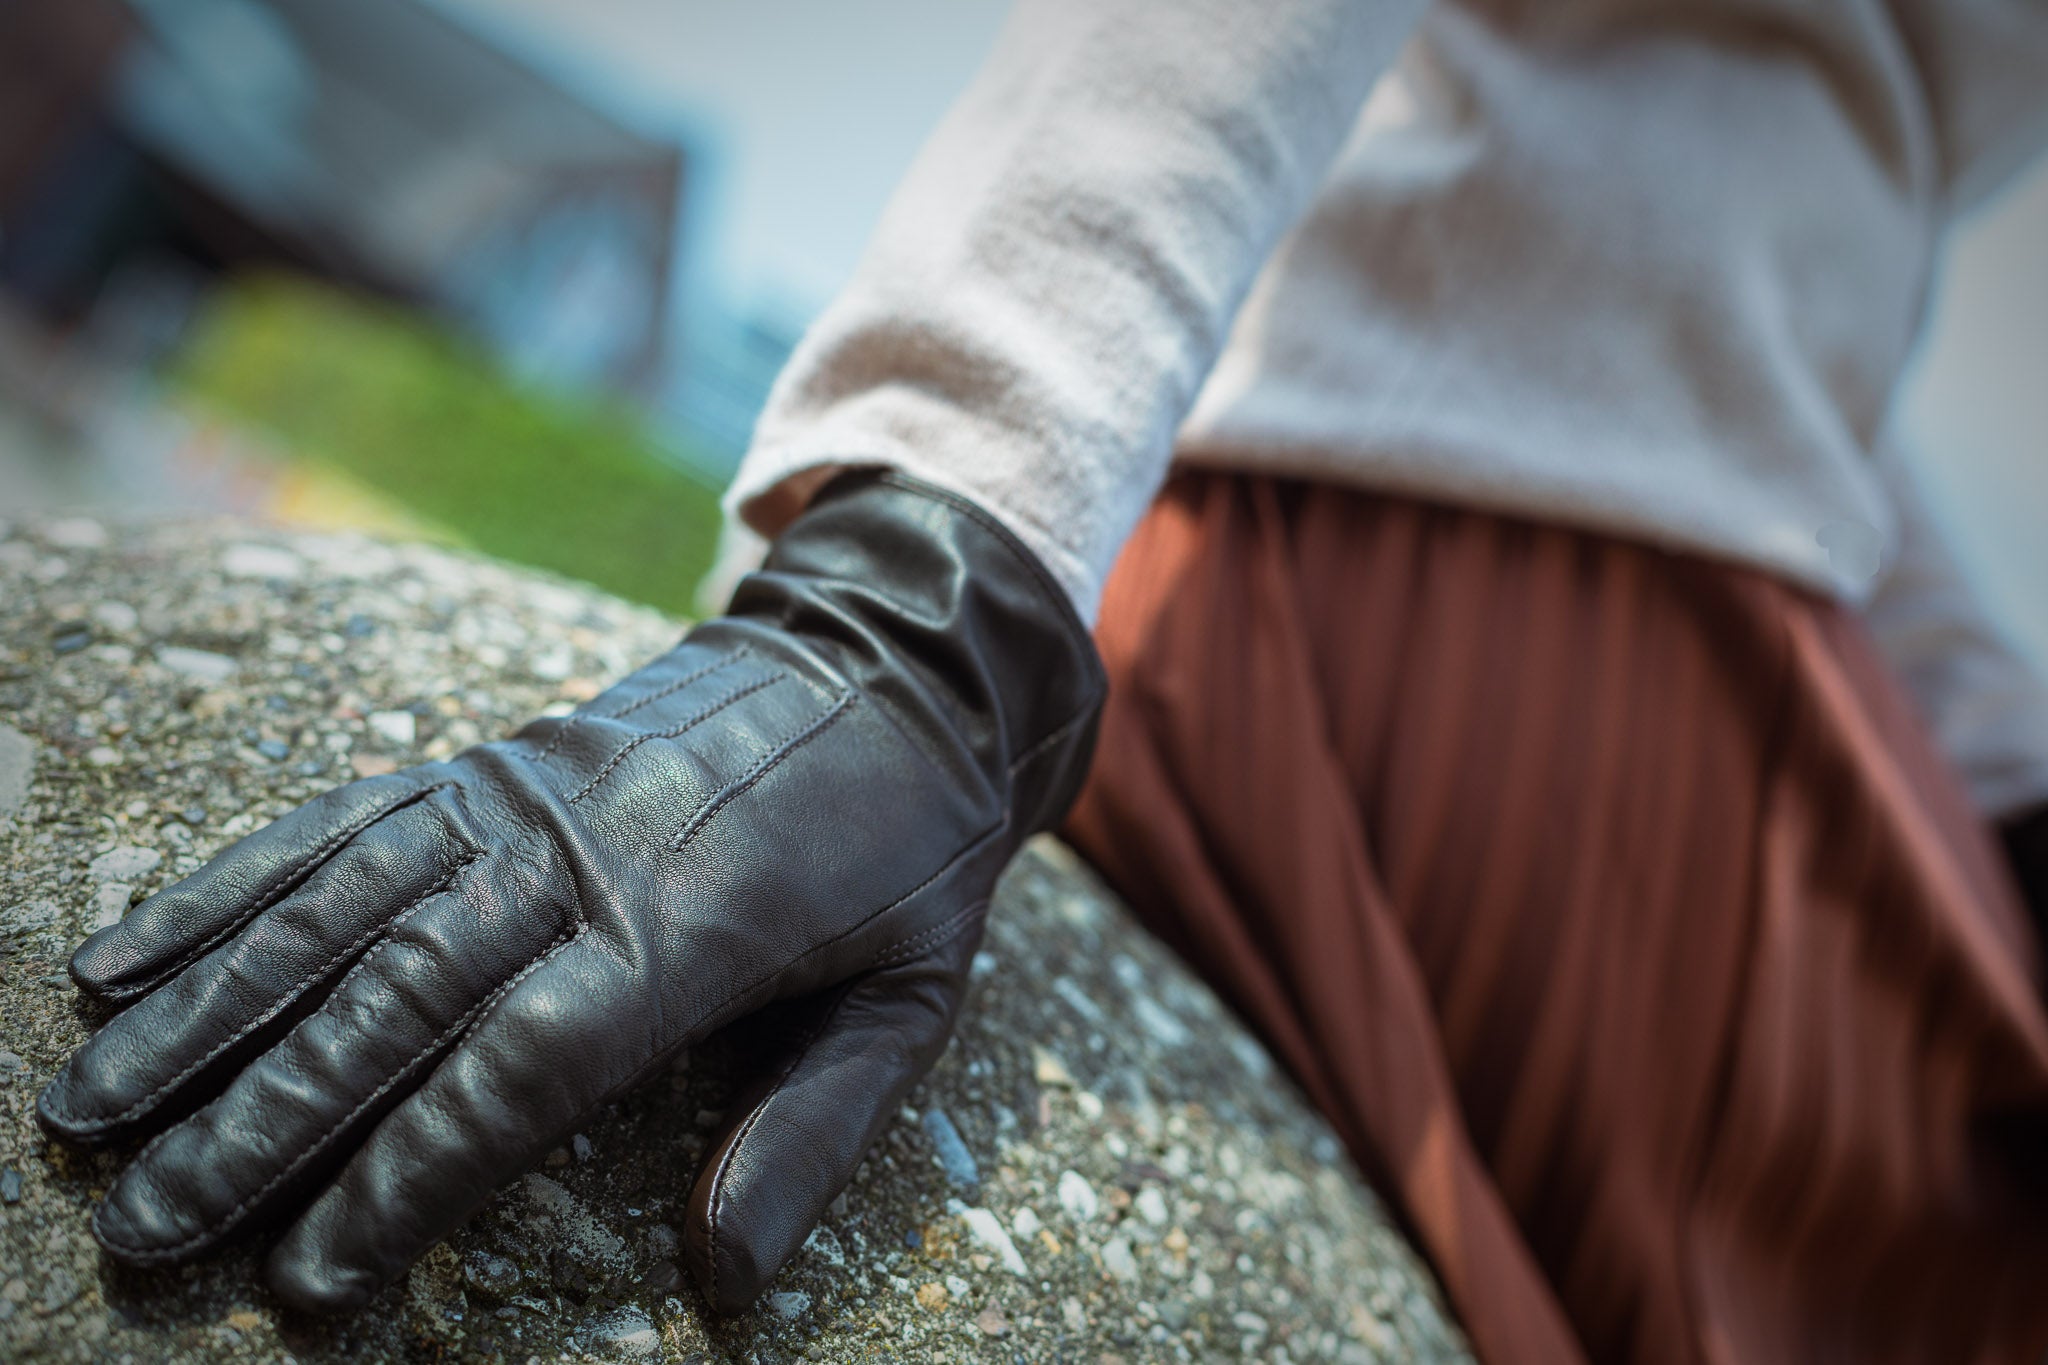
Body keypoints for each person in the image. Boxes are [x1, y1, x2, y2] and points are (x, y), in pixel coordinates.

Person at [37, 1, 2048, 1360]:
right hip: (1422, 588)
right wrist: (935, 573)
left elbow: (1802, 333)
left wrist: (2003, 778)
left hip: (1762, 651)